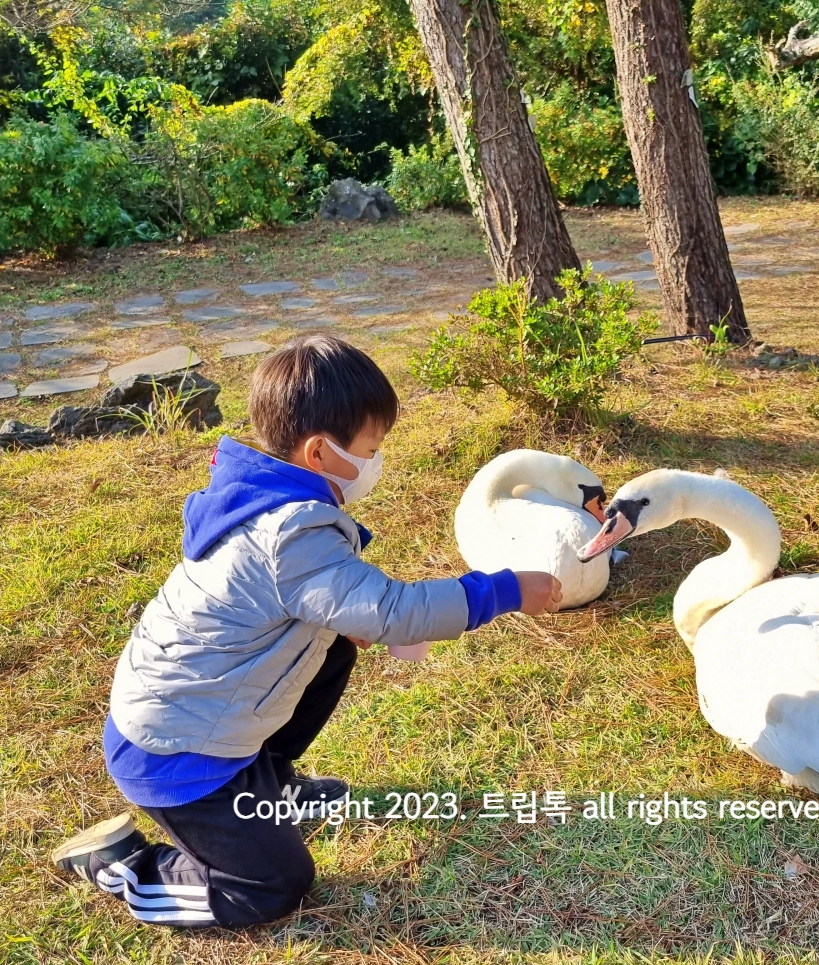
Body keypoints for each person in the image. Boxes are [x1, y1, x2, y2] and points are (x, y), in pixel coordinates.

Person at [51, 335, 561, 928]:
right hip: (179, 755)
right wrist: (507, 589)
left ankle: (267, 786)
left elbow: (344, 608)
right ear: (320, 452)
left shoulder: (265, 500)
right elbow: (395, 611)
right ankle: (121, 866)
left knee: (337, 644)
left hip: (205, 715)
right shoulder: (290, 533)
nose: (377, 461)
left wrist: (355, 624)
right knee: (272, 888)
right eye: (371, 448)